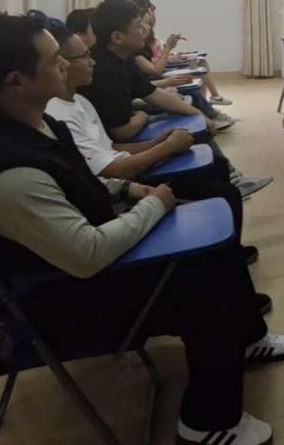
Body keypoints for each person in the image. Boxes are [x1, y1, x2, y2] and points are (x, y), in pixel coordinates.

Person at [0, 14, 284, 445]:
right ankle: (206, 421)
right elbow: (88, 253)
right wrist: (153, 204)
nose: (66, 64)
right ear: (17, 80)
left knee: (218, 247)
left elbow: (83, 181)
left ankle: (244, 340)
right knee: (207, 279)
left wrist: (127, 189)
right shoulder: (8, 175)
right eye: (55, 59)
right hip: (59, 302)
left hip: (80, 268)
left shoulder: (40, 127)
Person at [46, 26, 262, 268]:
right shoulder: (58, 115)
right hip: (125, 188)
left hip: (128, 172)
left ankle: (227, 255)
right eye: (84, 56)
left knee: (216, 166)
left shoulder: (79, 101)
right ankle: (224, 261)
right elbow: (114, 169)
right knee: (224, 191)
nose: (92, 61)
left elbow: (111, 147)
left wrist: (157, 142)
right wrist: (166, 148)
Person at [79, 0, 271, 199]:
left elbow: (152, 93)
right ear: (118, 37)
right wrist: (142, 115)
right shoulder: (103, 71)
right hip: (120, 145)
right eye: (138, 25)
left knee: (193, 118)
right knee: (190, 128)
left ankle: (229, 179)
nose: (144, 29)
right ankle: (226, 182)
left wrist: (198, 114)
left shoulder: (121, 58)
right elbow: (121, 133)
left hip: (129, 126)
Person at [130, 0, 233, 109]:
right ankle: (207, 108)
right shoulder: (136, 47)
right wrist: (168, 51)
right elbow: (154, 70)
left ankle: (208, 105)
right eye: (149, 16)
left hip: (159, 73)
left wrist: (171, 53)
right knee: (194, 83)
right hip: (159, 75)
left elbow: (154, 59)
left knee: (200, 65)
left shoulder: (149, 37)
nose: (153, 18)